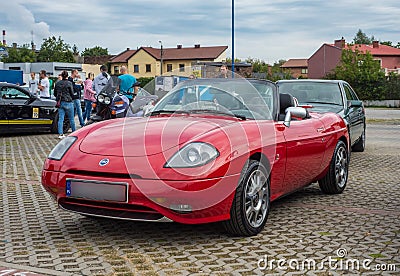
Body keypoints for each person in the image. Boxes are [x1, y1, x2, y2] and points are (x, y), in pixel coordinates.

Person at [53, 70, 76, 139]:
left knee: (61, 119)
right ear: (67, 76)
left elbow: (55, 93)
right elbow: (72, 93)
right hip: (68, 102)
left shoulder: (57, 83)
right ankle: (74, 133)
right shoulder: (69, 83)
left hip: (61, 103)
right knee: (71, 119)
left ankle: (61, 134)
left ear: (62, 76)